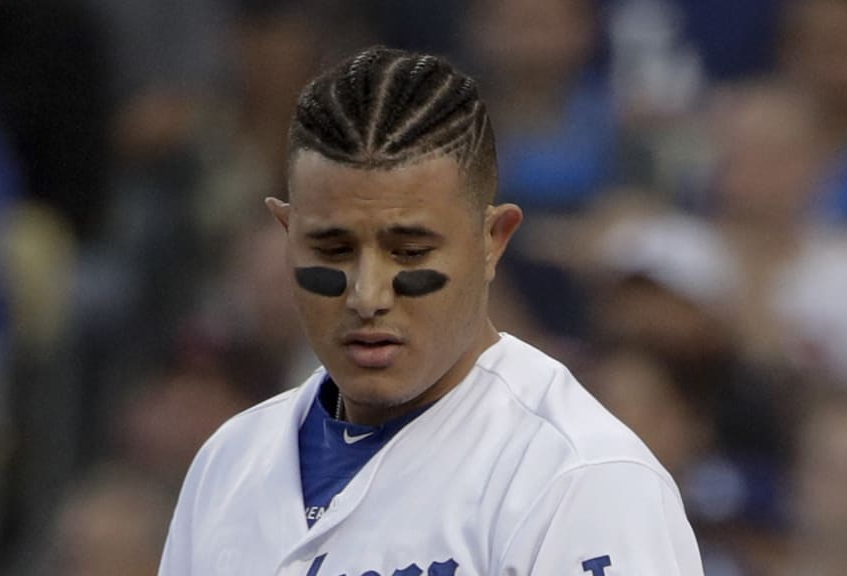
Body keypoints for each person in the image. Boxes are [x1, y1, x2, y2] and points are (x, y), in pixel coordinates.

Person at [158, 46, 703, 575]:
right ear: (286, 233)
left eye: (410, 251)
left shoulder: (579, 477)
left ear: (493, 239)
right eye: (333, 249)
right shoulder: (227, 464)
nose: (367, 295)